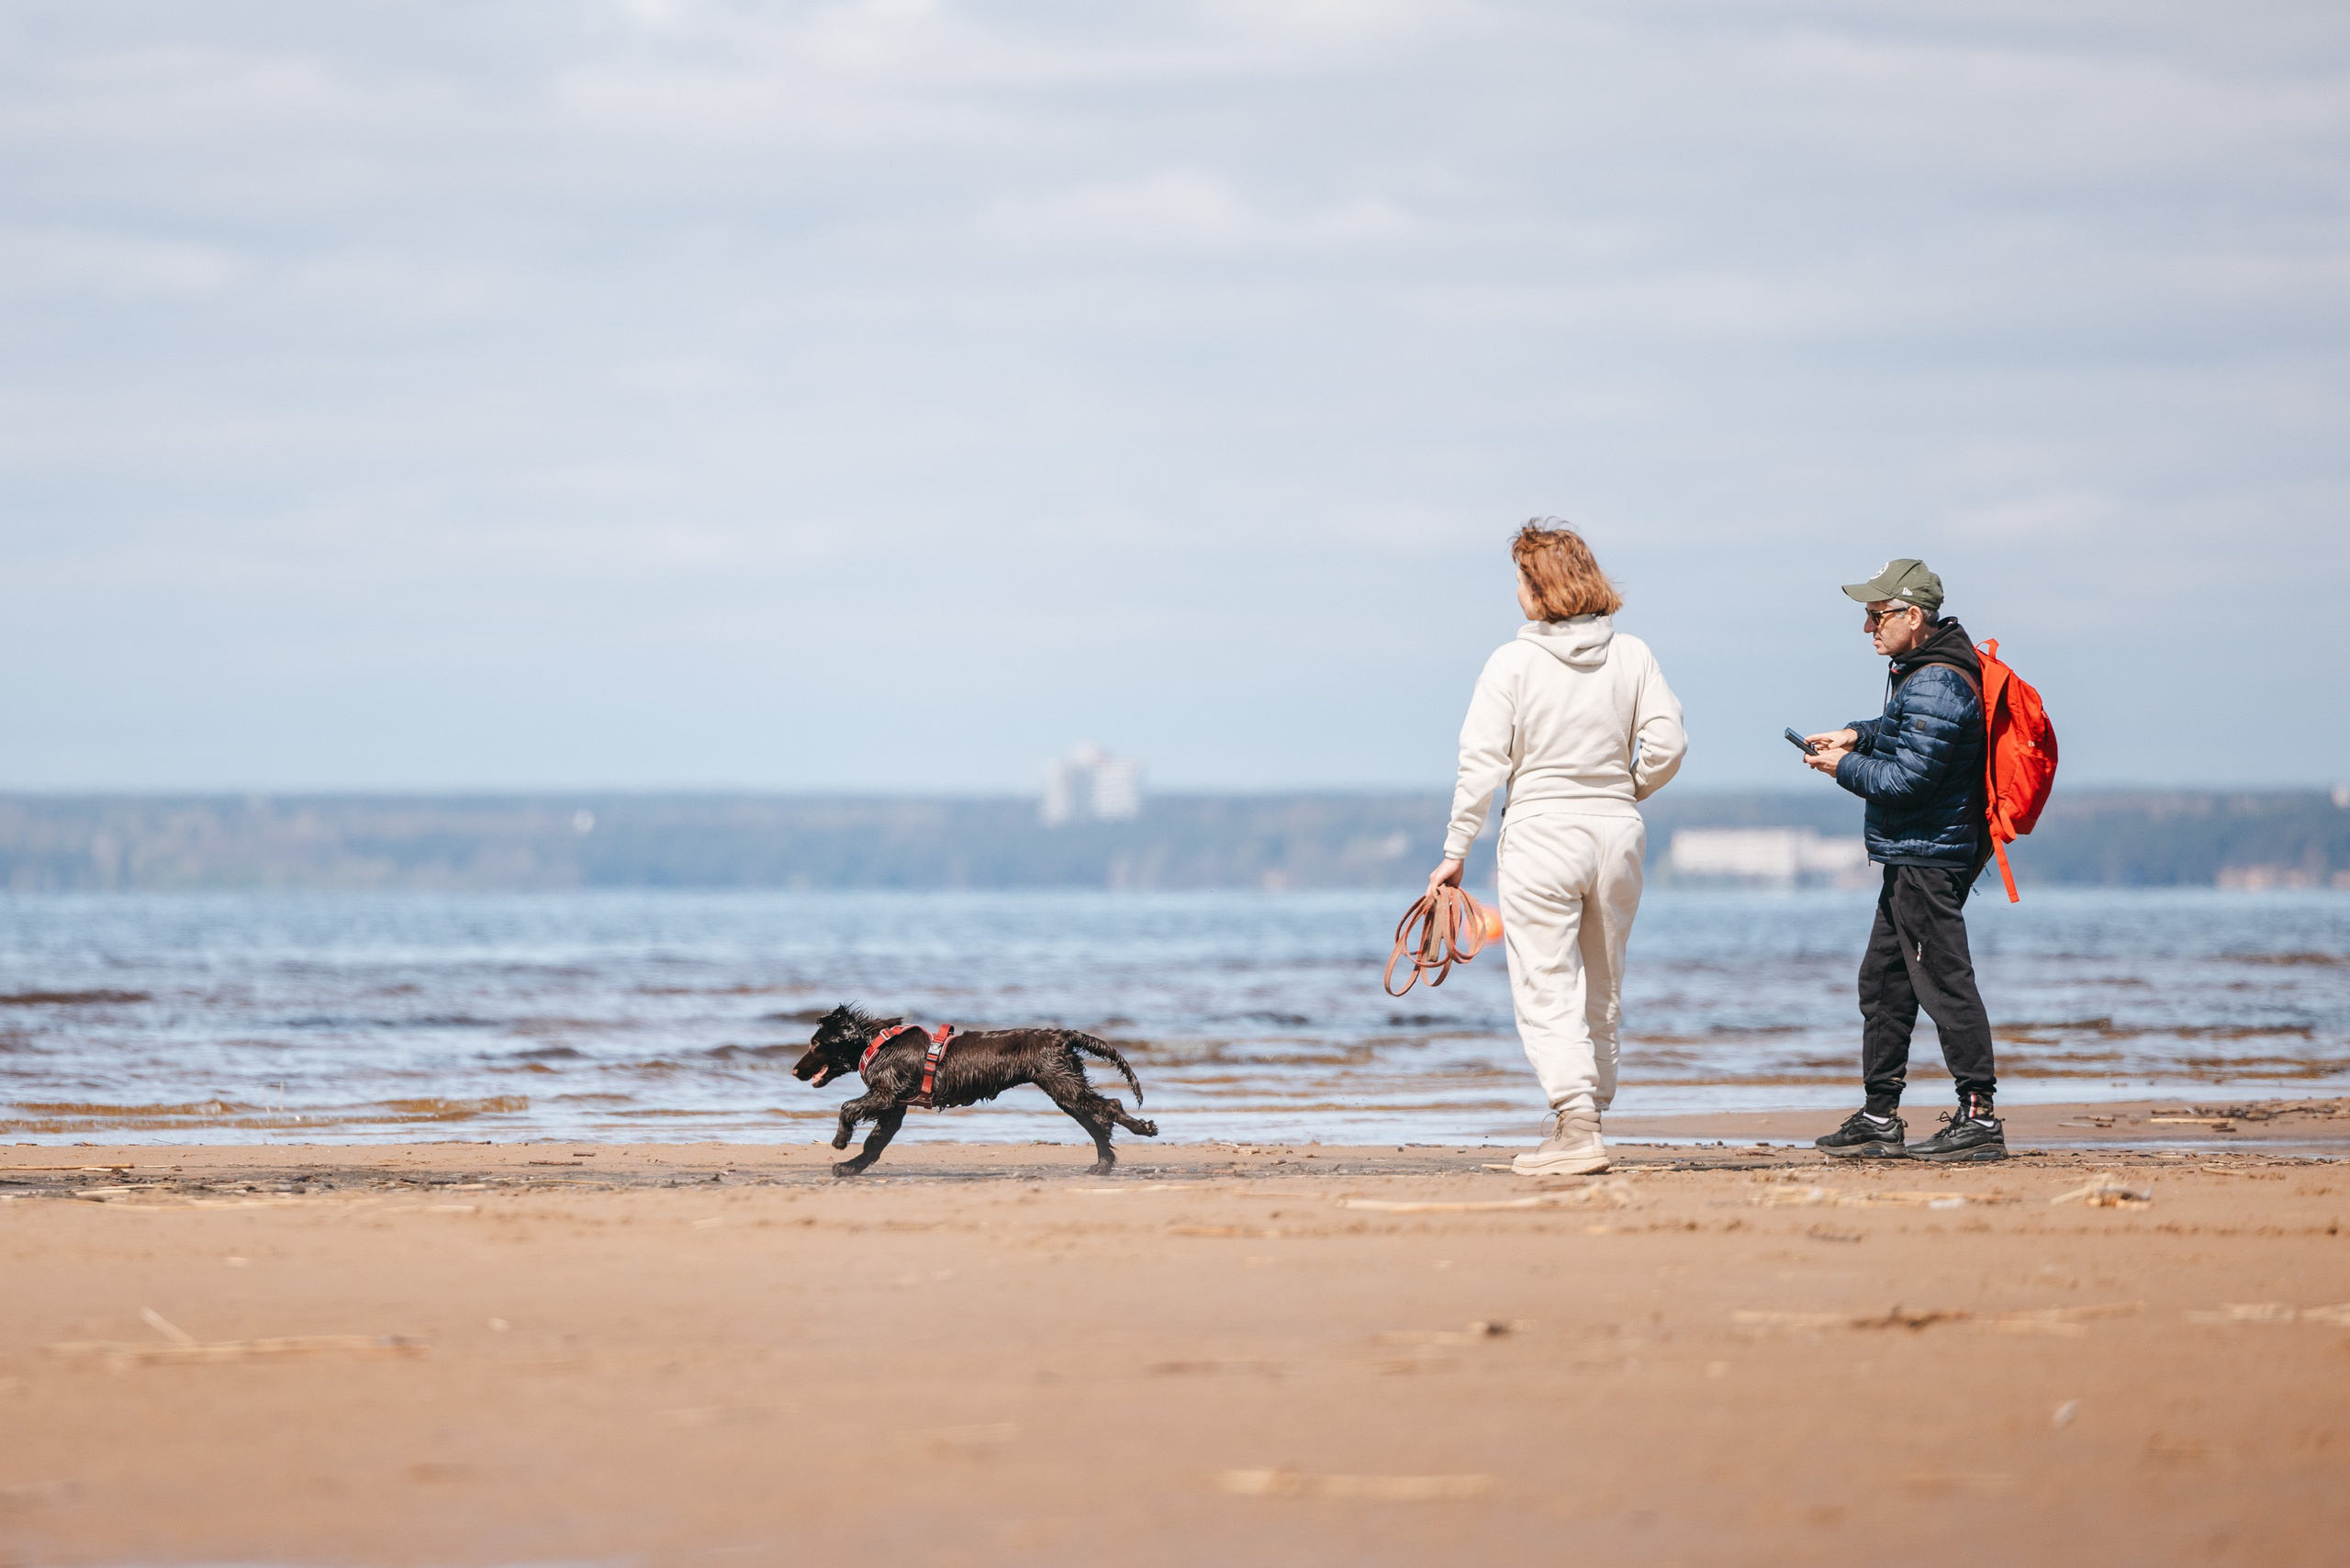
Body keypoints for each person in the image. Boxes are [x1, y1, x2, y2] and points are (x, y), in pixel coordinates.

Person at [1425, 521, 1685, 1175]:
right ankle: (1589, 1111)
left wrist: (1456, 850)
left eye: (1520, 579)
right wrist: (1628, 787)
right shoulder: (1634, 655)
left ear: (1540, 588)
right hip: (1616, 829)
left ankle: (1575, 1126)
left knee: (1546, 981)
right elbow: (1669, 744)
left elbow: (1479, 764)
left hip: (1541, 829)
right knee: (1604, 978)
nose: (1516, 591)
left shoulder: (1510, 662)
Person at [1802, 558, 2005, 1162]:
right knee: (1886, 984)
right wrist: (1855, 735)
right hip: (1912, 854)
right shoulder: (1922, 674)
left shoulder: (1937, 680)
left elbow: (1909, 779)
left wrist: (1843, 768)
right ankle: (1878, 1117)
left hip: (1928, 857)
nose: (1868, 627)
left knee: (1944, 984)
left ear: (1913, 617)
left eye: (1877, 615)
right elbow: (1904, 732)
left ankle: (1979, 1119)